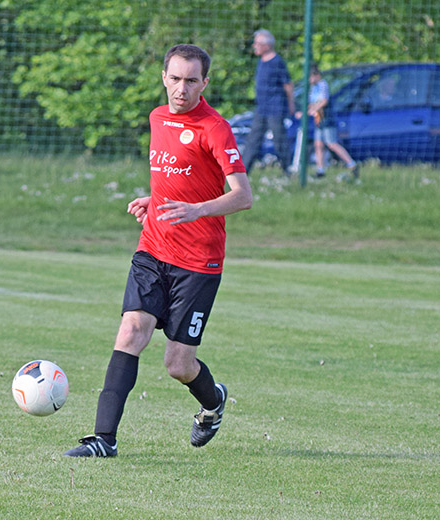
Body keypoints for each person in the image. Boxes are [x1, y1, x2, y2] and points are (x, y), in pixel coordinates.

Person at [64, 44, 253, 458]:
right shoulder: (157, 117)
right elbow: (175, 174)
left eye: (191, 80)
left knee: (178, 365)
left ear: (205, 83)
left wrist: (196, 209)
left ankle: (212, 401)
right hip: (153, 247)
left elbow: (242, 196)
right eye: (175, 78)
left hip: (199, 261)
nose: (181, 89)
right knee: (131, 331)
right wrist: (156, 200)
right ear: (163, 77)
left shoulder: (215, 128)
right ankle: (103, 439)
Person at [242, 29, 295, 176]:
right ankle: (243, 172)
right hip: (261, 108)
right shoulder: (261, 61)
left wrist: (291, 105)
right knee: (253, 139)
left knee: (279, 139)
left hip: (275, 108)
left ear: (267, 45)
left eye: (257, 43)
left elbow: (288, 85)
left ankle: (287, 169)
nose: (254, 46)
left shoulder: (277, 62)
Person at [296, 64, 358, 179]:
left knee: (331, 143)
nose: (309, 80)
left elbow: (324, 101)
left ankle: (352, 164)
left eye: (310, 77)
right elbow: (312, 103)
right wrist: (305, 111)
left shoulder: (322, 85)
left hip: (327, 119)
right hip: (318, 120)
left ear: (316, 75)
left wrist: (311, 111)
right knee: (318, 144)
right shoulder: (313, 88)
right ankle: (320, 170)